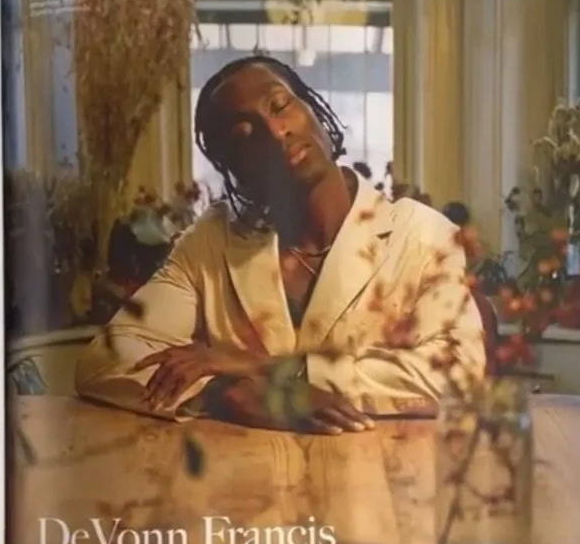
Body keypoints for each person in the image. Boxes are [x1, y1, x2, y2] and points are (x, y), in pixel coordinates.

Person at [75, 55, 486, 434]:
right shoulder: (210, 244)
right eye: (245, 135)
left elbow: (459, 375)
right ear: (233, 170)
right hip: (248, 482)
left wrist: (275, 374)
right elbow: (106, 358)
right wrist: (223, 393)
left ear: (314, 109)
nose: (276, 133)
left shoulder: (420, 234)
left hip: (377, 479)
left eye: (280, 105)